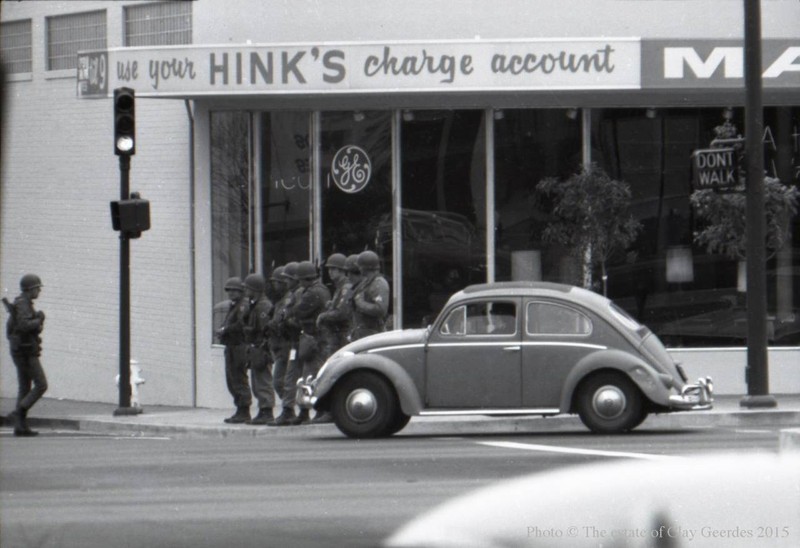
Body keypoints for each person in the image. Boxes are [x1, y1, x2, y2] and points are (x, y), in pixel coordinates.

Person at [284, 260, 330, 425]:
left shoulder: (313, 292)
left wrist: (289, 312)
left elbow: (298, 311)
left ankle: (317, 410)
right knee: (308, 376)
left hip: (314, 338)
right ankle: (307, 411)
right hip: (314, 338)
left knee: (311, 376)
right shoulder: (320, 290)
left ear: (305, 279)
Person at [5, 274, 48, 436]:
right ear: (30, 289)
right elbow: (24, 326)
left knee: (24, 387)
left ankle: (20, 426)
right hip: (26, 351)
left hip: (21, 350)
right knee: (41, 384)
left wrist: (37, 321)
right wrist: (38, 320)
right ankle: (19, 411)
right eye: (37, 288)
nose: (39, 291)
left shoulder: (21, 304)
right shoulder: (23, 305)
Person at [313, 253, 353, 424]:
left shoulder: (345, 287)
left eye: (333, 269)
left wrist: (324, 316)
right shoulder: (339, 288)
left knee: (334, 373)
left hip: (341, 336)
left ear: (341, 270)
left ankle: (331, 411)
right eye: (329, 269)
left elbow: (342, 313)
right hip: (335, 336)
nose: (330, 272)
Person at [216, 277, 252, 424]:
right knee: (232, 379)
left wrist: (225, 330)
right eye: (229, 290)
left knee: (238, 378)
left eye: (234, 290)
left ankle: (244, 409)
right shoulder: (234, 305)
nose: (231, 293)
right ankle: (240, 408)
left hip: (238, 345)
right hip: (232, 346)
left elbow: (240, 324)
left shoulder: (242, 305)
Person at [271, 262, 303, 426]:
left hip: (291, 343)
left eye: (284, 280)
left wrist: (282, 323)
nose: (277, 285)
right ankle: (289, 408)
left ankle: (290, 409)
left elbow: (292, 318)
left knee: (287, 379)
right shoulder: (287, 298)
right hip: (286, 343)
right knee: (284, 380)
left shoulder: (294, 297)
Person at [241, 273, 275, 425]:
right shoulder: (254, 304)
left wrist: (264, 347)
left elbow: (265, 329)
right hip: (255, 347)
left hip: (261, 347)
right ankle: (262, 409)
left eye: (248, 288)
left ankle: (266, 411)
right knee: (257, 381)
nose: (246, 291)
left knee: (263, 380)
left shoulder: (263, 306)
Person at [350, 250, 390, 341]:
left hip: (373, 334)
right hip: (362, 333)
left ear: (365, 267)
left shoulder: (379, 283)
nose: (359, 269)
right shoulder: (366, 282)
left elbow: (381, 309)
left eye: (360, 266)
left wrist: (360, 303)